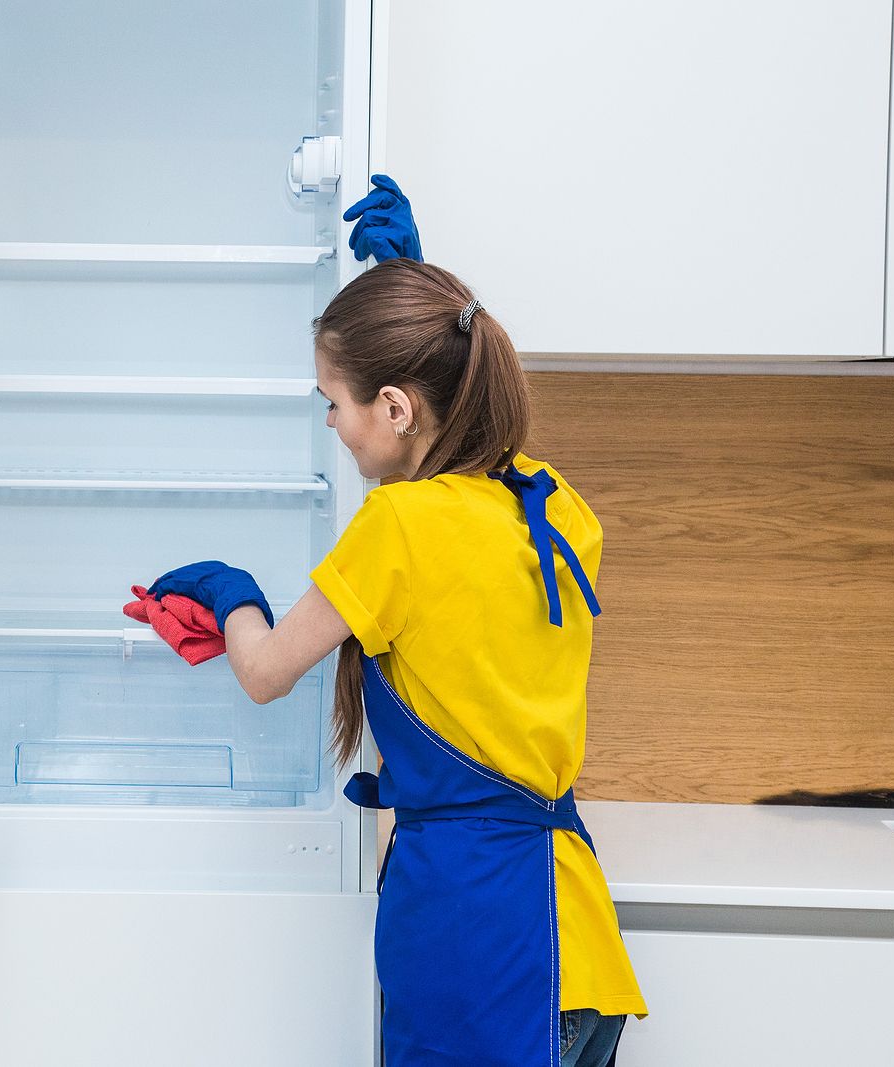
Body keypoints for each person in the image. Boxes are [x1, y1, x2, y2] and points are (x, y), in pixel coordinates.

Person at [147, 177, 647, 1067]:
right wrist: (412, 291)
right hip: (577, 947)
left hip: (478, 953)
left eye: (333, 402)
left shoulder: (397, 528)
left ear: (394, 407)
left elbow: (264, 672)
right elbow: (474, 432)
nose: (334, 425)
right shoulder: (556, 504)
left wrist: (232, 595)